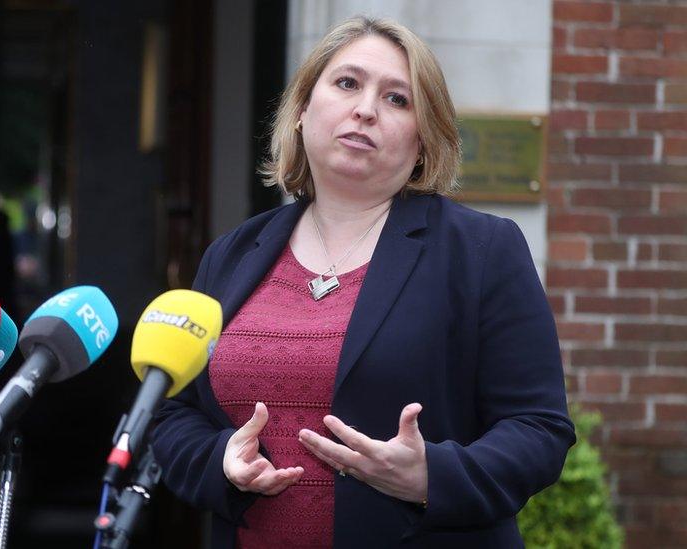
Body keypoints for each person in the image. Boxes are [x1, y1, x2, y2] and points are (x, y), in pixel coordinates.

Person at [151, 15, 575, 549]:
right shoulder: (232, 255)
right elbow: (173, 415)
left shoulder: (482, 251)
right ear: (304, 110)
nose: (366, 109)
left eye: (398, 99)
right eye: (347, 83)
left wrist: (430, 477)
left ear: (423, 141)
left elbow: (539, 428)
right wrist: (222, 463)